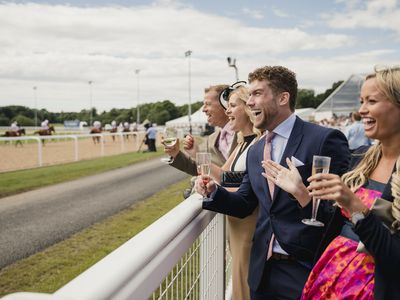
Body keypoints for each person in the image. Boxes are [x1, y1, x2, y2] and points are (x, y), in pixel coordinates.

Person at [196, 66, 350, 299]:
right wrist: (212, 192)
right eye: (249, 96)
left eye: (257, 94)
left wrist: (302, 195)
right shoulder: (257, 150)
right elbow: (244, 203)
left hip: (306, 270)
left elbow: (342, 213)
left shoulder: (324, 139)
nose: (250, 102)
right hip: (262, 271)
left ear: (282, 98)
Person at [264, 66, 400, 300]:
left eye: (372, 101)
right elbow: (330, 225)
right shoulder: (359, 157)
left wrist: (355, 206)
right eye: (361, 101)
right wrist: (302, 194)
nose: (362, 110)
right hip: (330, 279)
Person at [207, 82, 261, 300]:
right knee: (240, 284)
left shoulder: (259, 142)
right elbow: (224, 176)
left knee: (245, 287)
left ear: (248, 108)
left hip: (249, 224)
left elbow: (246, 184)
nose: (227, 111)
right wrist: (195, 162)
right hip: (236, 224)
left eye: (232, 106)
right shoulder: (241, 143)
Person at [164, 84, 237, 175]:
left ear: (225, 104)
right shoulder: (210, 140)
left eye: (208, 104)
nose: (203, 110)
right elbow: (204, 171)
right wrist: (177, 154)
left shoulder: (246, 133)